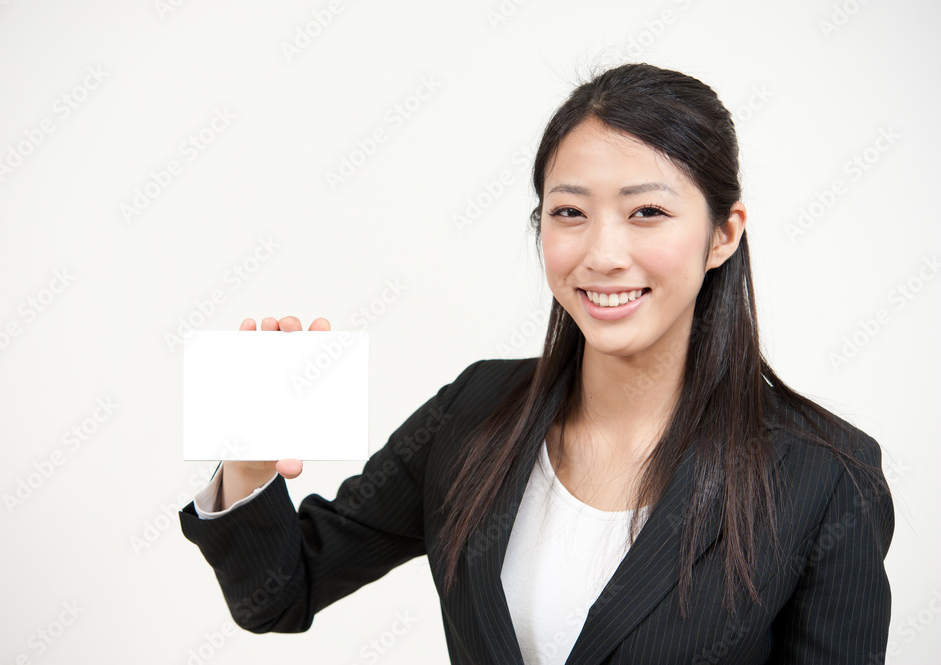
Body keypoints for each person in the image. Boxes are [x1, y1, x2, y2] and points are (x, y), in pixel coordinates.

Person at [179, 62, 894, 664]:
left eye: (647, 212)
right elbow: (278, 593)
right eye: (569, 212)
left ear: (722, 234)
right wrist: (249, 461)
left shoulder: (827, 475)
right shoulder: (474, 411)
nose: (603, 253)